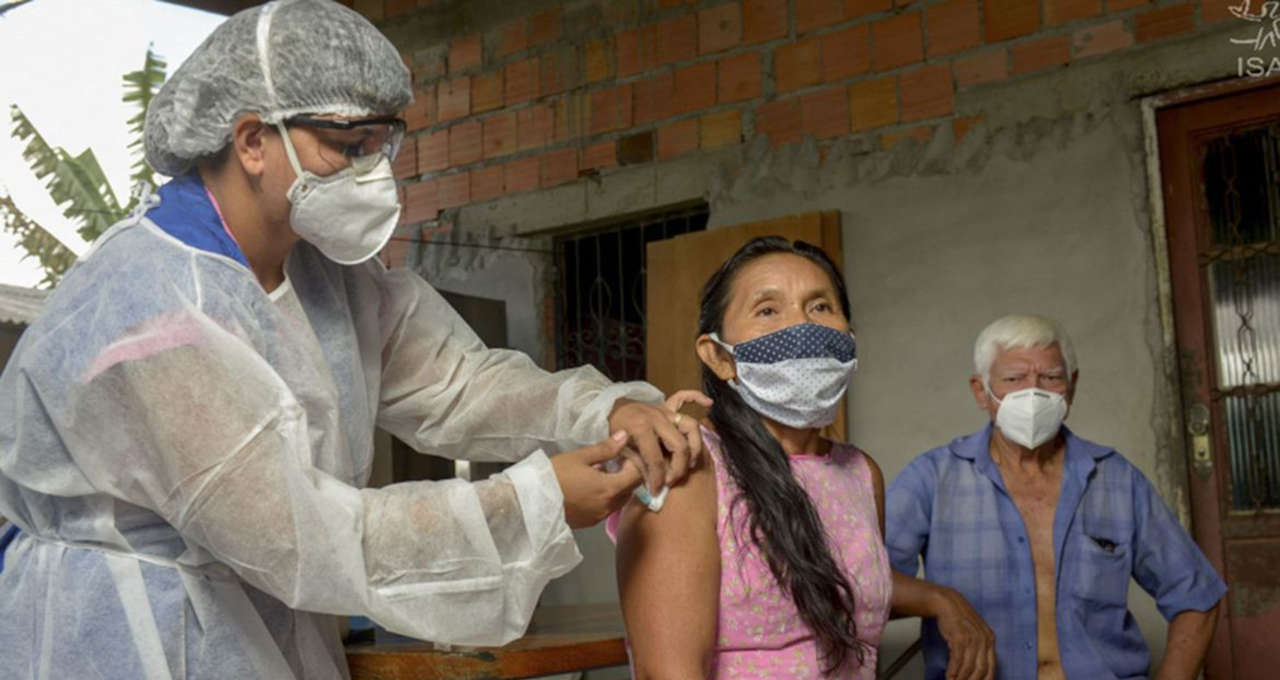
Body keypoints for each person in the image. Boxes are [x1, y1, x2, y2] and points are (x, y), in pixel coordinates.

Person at [0, 2, 702, 678]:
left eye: (382, 143)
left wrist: (601, 409)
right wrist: (534, 503)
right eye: (348, 146)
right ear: (251, 140)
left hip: (259, 618)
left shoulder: (328, 275)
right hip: (132, 632)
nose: (376, 173)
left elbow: (455, 382)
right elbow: (296, 533)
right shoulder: (146, 311)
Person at [609, 237, 995, 680]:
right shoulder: (689, 469)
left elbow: (835, 579)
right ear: (719, 357)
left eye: (820, 307)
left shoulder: (859, 473)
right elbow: (669, 673)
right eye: (768, 310)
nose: (802, 328)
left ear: (849, 338)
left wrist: (940, 598)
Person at [886, 314, 1227, 680]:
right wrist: (942, 601)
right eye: (1014, 379)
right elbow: (866, 589)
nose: (1034, 392)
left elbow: (1197, 596)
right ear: (980, 391)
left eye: (1050, 377)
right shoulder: (933, 479)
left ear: (1072, 386)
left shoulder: (1116, 480)